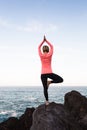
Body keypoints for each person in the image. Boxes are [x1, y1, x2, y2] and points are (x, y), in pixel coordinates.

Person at [38, 36, 63, 105]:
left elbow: (38, 47)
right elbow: (52, 46)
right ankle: (50, 82)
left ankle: (47, 101)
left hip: (43, 74)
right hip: (49, 73)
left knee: (45, 88)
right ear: (48, 50)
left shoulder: (41, 55)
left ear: (43, 50)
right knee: (61, 80)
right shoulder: (50, 54)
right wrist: (46, 41)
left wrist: (43, 41)